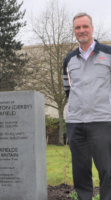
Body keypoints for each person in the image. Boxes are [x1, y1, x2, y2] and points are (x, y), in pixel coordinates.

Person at [63, 13, 111, 200]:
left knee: (107, 169)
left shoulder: (108, 54)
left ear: (91, 28)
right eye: (77, 27)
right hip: (76, 123)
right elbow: (68, 90)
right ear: (74, 31)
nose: (81, 30)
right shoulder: (69, 60)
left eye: (85, 26)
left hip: (102, 121)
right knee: (81, 171)